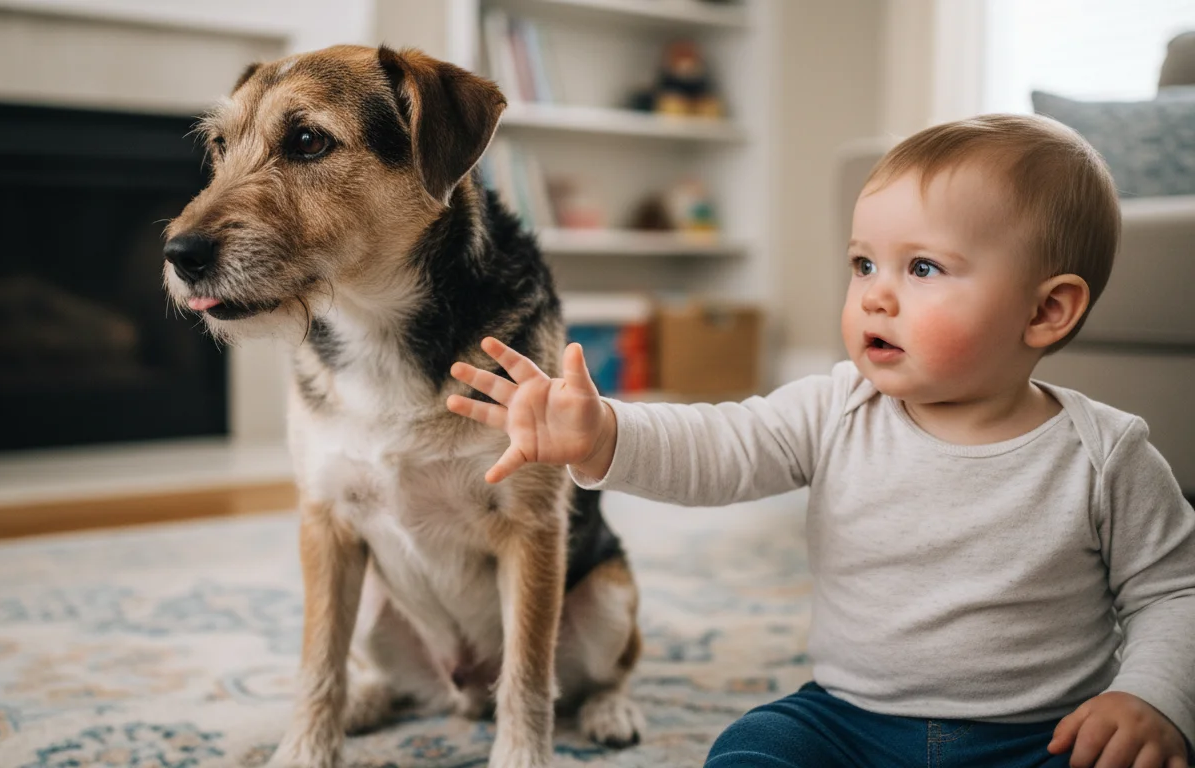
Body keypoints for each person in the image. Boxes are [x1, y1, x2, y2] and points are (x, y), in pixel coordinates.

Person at [446, 114, 1195, 768]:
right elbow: (720, 448)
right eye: (864, 262)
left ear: (1046, 311)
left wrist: (1149, 698)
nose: (875, 292)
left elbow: (1175, 593)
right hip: (850, 723)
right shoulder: (838, 408)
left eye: (923, 267)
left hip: (1041, 737)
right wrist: (602, 431)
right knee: (753, 750)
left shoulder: (1108, 454)